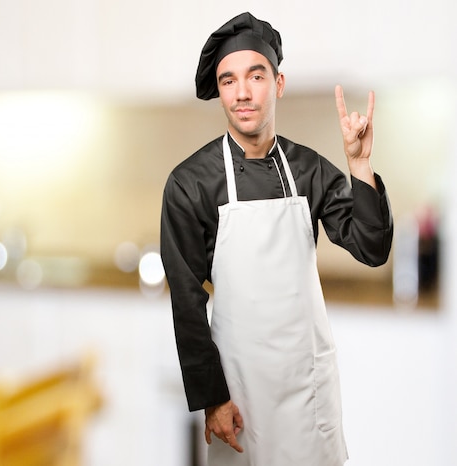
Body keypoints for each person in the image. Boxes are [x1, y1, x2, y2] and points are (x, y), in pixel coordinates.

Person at [160, 11, 393, 466]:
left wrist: (360, 165)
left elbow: (372, 248)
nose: (242, 92)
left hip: (307, 391)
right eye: (228, 81)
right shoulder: (190, 183)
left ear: (278, 83)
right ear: (220, 91)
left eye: (256, 75)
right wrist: (213, 399)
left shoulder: (309, 170)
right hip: (240, 395)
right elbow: (186, 303)